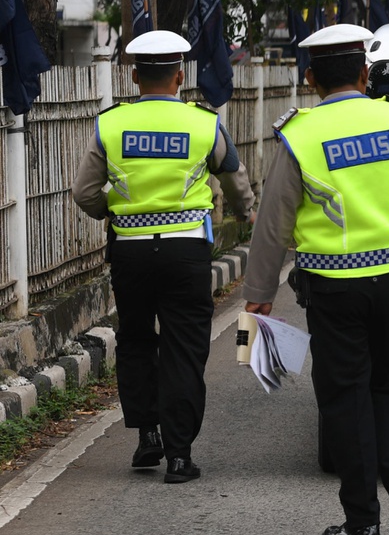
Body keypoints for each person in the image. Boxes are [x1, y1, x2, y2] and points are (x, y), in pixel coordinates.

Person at [241, 24, 389, 535]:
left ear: (311, 79)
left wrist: (259, 293)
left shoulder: (301, 136)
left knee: (345, 398)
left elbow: (273, 223)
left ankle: (362, 521)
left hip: (333, 291)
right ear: (366, 73)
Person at [72, 30, 256, 484]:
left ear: (135, 77)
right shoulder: (204, 123)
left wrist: (113, 211)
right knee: (184, 347)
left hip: (130, 252)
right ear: (179, 76)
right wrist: (245, 213)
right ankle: (179, 455)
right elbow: (234, 178)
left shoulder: (111, 125)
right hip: (186, 251)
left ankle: (147, 435)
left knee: (136, 339)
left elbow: (84, 192)